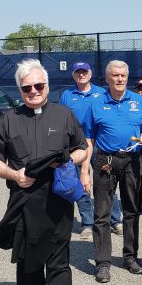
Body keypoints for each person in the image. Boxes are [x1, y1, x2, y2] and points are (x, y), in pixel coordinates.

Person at [0, 59, 89, 285]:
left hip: (57, 201)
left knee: (58, 264)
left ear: (47, 86)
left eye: (38, 85)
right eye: (27, 87)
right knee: (28, 264)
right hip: (24, 201)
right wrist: (13, 174)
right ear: (20, 89)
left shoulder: (63, 114)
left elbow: (82, 147)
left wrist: (70, 162)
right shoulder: (9, 118)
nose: (33, 91)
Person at [81, 60, 142, 283]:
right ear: (107, 78)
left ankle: (130, 257)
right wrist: (84, 170)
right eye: (115, 75)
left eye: (123, 75)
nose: (120, 79)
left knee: (131, 210)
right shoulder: (96, 104)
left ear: (127, 78)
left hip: (132, 160)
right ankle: (103, 263)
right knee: (101, 213)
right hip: (105, 161)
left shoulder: (139, 101)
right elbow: (88, 140)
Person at [58, 61, 123, 239]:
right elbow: (62, 121)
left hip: (99, 145)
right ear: (73, 75)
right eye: (77, 72)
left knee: (107, 184)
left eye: (84, 71)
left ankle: (115, 221)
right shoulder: (67, 95)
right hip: (76, 147)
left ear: (90, 73)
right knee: (81, 184)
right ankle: (87, 223)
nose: (81, 74)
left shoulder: (102, 93)